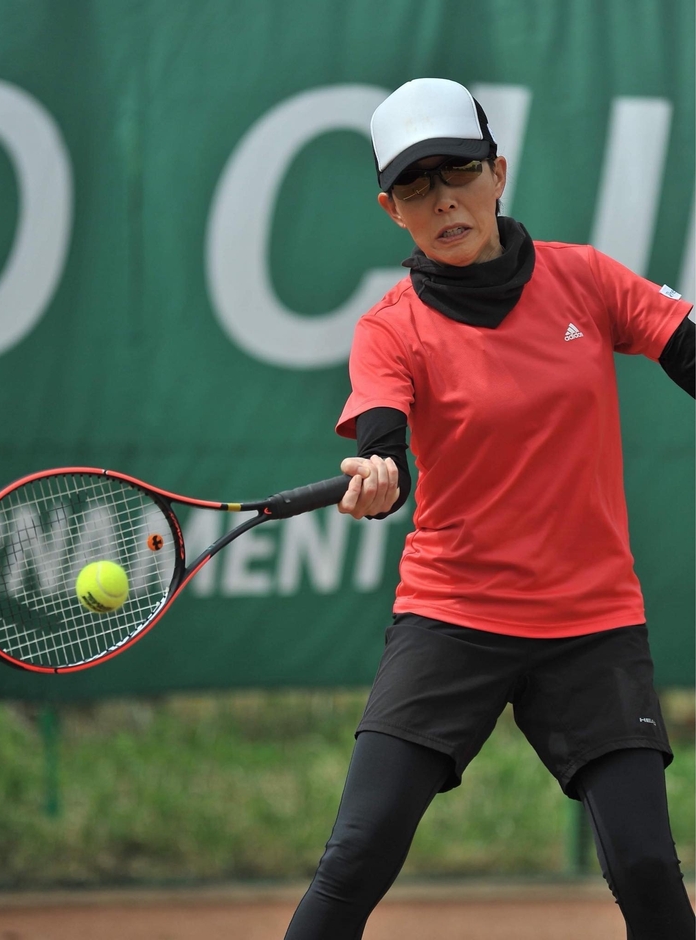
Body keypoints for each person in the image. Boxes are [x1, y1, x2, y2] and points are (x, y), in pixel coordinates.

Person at [283, 78, 695, 940]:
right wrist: (380, 472)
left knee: (651, 872)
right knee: (355, 855)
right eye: (415, 187)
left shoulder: (584, 279)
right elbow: (383, 434)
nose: (443, 201)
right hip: (452, 617)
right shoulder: (391, 328)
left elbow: (684, 344)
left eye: (458, 173)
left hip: (591, 622)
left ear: (497, 172)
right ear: (392, 210)